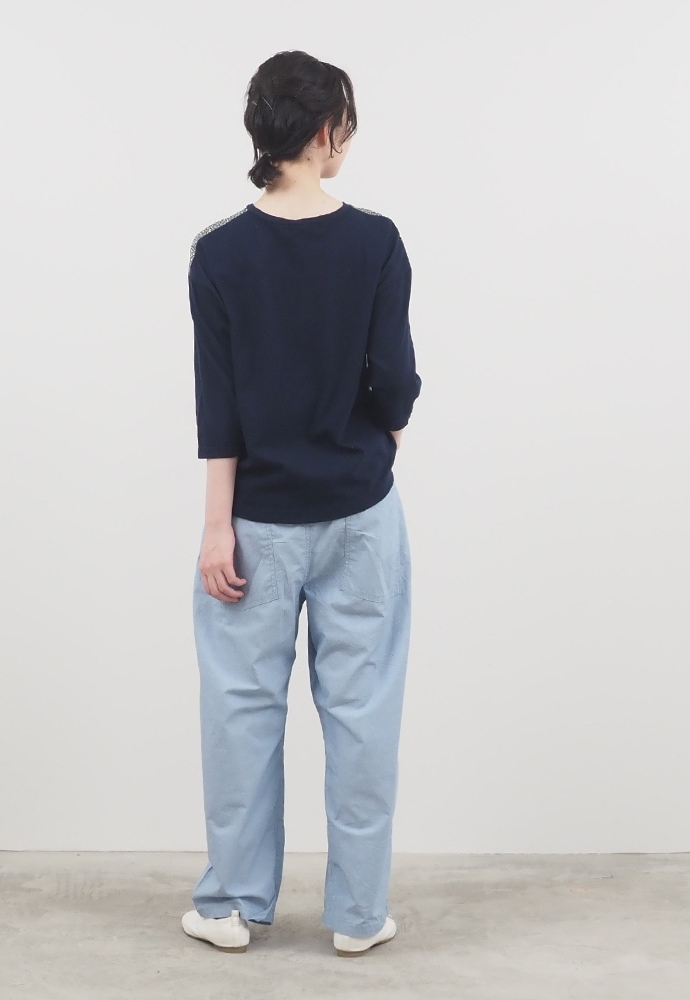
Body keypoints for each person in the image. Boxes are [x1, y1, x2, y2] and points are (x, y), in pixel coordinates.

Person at [181, 49, 422, 958]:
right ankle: (358, 916)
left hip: (256, 524)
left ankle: (231, 907)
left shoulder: (219, 253)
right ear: (325, 131)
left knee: (241, 713)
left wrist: (216, 528)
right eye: (345, 122)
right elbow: (394, 380)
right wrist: (382, 436)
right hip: (362, 516)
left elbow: (218, 407)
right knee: (363, 714)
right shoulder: (377, 241)